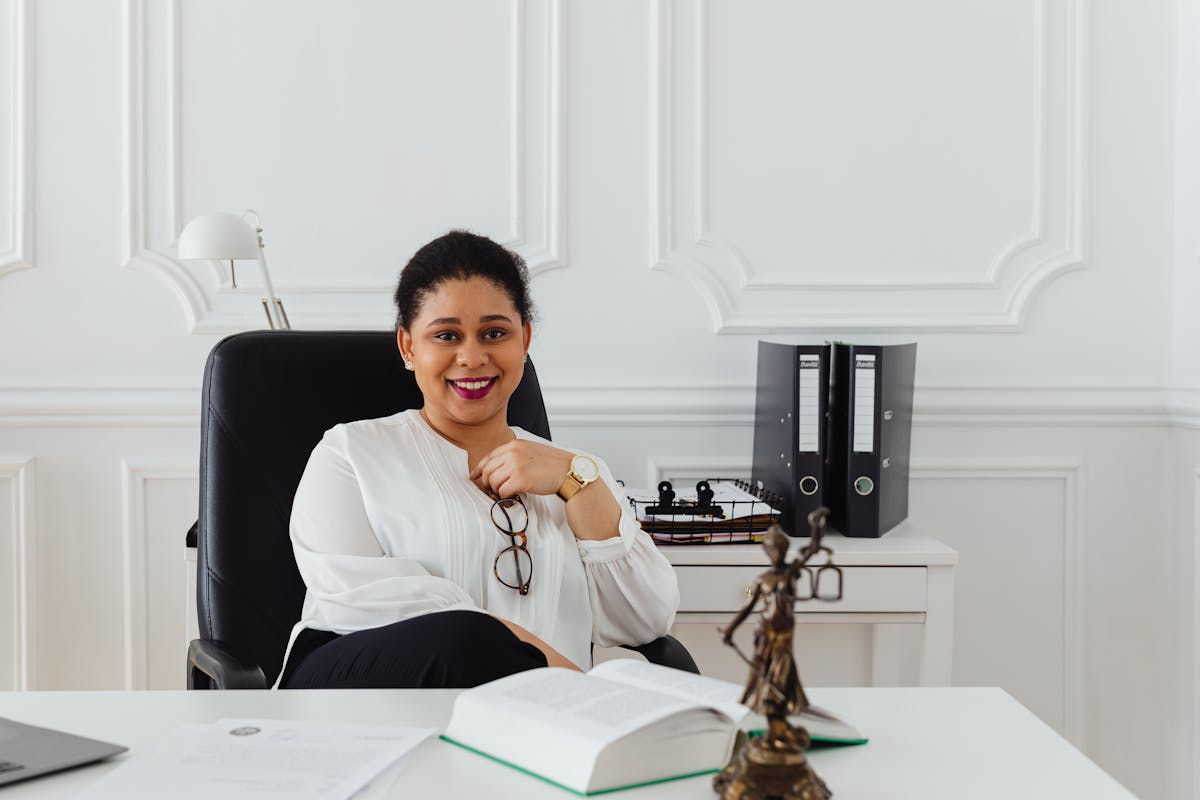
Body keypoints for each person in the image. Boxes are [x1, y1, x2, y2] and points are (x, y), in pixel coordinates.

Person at [276, 230, 680, 689]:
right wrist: (569, 681)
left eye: (494, 333)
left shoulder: (576, 471)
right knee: (464, 636)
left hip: (530, 722)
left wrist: (578, 484)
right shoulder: (350, 454)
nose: (471, 357)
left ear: (524, 339)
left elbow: (646, 622)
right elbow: (371, 606)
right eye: (446, 335)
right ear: (408, 347)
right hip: (367, 702)